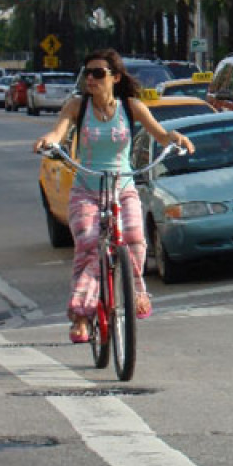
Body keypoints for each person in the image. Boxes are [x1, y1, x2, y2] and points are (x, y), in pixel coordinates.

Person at [33, 49, 195, 344]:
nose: (90, 79)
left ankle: (137, 292)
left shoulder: (131, 107)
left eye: (98, 73)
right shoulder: (76, 106)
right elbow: (59, 133)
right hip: (86, 190)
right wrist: (49, 141)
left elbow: (160, 135)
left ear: (115, 78)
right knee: (88, 243)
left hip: (123, 187)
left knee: (135, 238)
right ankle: (82, 315)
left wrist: (177, 139)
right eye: (87, 73)